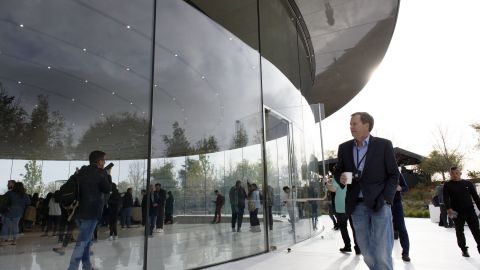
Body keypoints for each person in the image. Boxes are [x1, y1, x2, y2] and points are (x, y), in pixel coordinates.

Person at [334, 112, 399, 270]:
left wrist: (387, 199)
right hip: (356, 205)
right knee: (366, 251)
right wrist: (341, 178)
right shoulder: (344, 148)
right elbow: (338, 172)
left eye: (354, 123)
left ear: (366, 125)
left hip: (380, 203)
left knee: (383, 251)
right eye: (350, 124)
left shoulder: (383, 145)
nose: (351, 127)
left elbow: (393, 174)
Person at [68, 150, 111, 270]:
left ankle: (87, 266)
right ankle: (72, 268)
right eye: (104, 160)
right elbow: (107, 189)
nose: (104, 162)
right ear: (99, 161)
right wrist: (108, 175)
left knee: (86, 240)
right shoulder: (100, 172)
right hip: (92, 211)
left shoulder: (82, 171)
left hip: (79, 211)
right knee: (82, 242)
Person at [443, 166, 480, 257]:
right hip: (456, 212)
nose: (454, 175)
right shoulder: (447, 185)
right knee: (459, 231)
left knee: (476, 231)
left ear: (460, 173)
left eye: (456, 173)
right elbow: (445, 198)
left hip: (470, 211)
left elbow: (476, 197)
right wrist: (449, 209)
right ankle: (464, 249)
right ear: (450, 174)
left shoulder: (468, 183)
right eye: (452, 174)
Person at [325, 177, 360, 255]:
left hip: (341, 206)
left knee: (343, 227)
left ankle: (348, 246)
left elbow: (333, 189)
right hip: (350, 205)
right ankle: (358, 248)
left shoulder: (337, 177)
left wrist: (325, 183)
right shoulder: (350, 176)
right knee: (354, 227)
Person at [392, 173, 411, 262]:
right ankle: (384, 254)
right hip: (384, 204)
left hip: (396, 204)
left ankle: (405, 253)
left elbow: (406, 187)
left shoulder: (398, 174)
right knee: (384, 230)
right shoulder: (379, 171)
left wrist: (400, 188)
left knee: (402, 229)